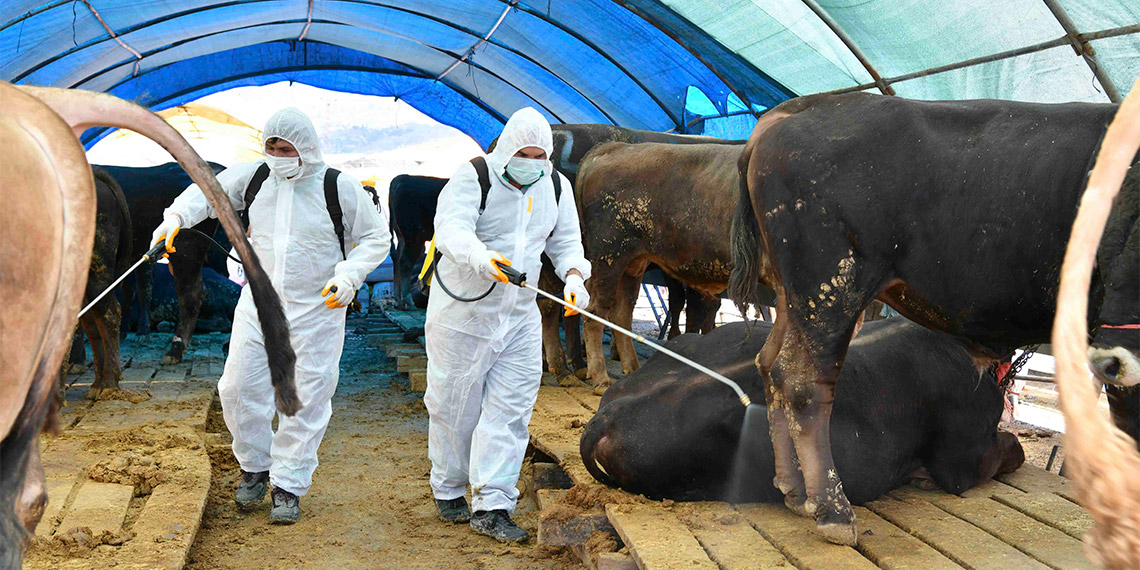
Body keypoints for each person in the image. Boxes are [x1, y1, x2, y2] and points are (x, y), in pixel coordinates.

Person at [151, 108, 389, 524]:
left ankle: (288, 486)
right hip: (258, 303)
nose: (278, 155)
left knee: (302, 399)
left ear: (307, 148)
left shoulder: (338, 188)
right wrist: (175, 219)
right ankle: (254, 467)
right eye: (272, 147)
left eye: (287, 148)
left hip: (318, 307)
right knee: (237, 388)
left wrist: (349, 276)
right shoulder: (256, 177)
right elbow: (207, 193)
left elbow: (374, 238)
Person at [424, 108, 591, 543]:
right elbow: (450, 231)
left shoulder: (556, 185)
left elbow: (567, 241)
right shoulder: (473, 177)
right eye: (523, 154)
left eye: (540, 155)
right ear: (505, 151)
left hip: (518, 315)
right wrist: (482, 258)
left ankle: (492, 503)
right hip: (464, 314)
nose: (531, 163)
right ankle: (448, 486)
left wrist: (575, 276)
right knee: (455, 406)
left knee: (510, 411)